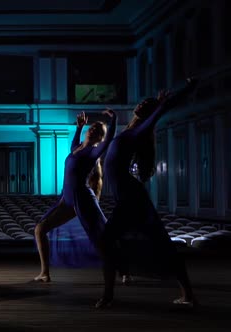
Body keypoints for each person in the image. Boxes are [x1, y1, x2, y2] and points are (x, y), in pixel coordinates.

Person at [96, 78, 198, 309]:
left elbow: (164, 108)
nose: (141, 104)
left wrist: (183, 91)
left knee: (113, 242)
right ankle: (113, 290)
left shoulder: (142, 129)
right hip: (127, 196)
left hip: (132, 197)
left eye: (147, 105)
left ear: (150, 112)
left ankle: (109, 295)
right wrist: (112, 121)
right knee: (125, 242)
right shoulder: (129, 130)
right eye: (142, 102)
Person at [34, 109, 116, 282]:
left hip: (82, 199)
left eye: (99, 130)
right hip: (66, 199)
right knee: (40, 229)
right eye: (93, 127)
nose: (94, 129)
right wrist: (79, 127)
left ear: (100, 138)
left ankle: (122, 270)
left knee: (101, 239)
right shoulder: (76, 148)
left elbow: (109, 140)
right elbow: (74, 143)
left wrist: (113, 120)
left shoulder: (93, 153)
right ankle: (45, 273)